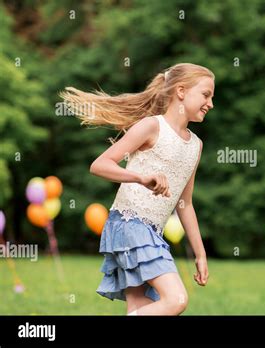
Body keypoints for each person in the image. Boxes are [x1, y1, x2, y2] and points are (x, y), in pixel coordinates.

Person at [60, 63, 214, 315]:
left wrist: (201, 253)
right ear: (181, 91)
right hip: (129, 224)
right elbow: (99, 165)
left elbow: (185, 204)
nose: (210, 103)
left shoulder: (195, 146)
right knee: (176, 300)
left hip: (152, 231)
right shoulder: (152, 126)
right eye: (206, 94)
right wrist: (140, 178)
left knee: (141, 308)